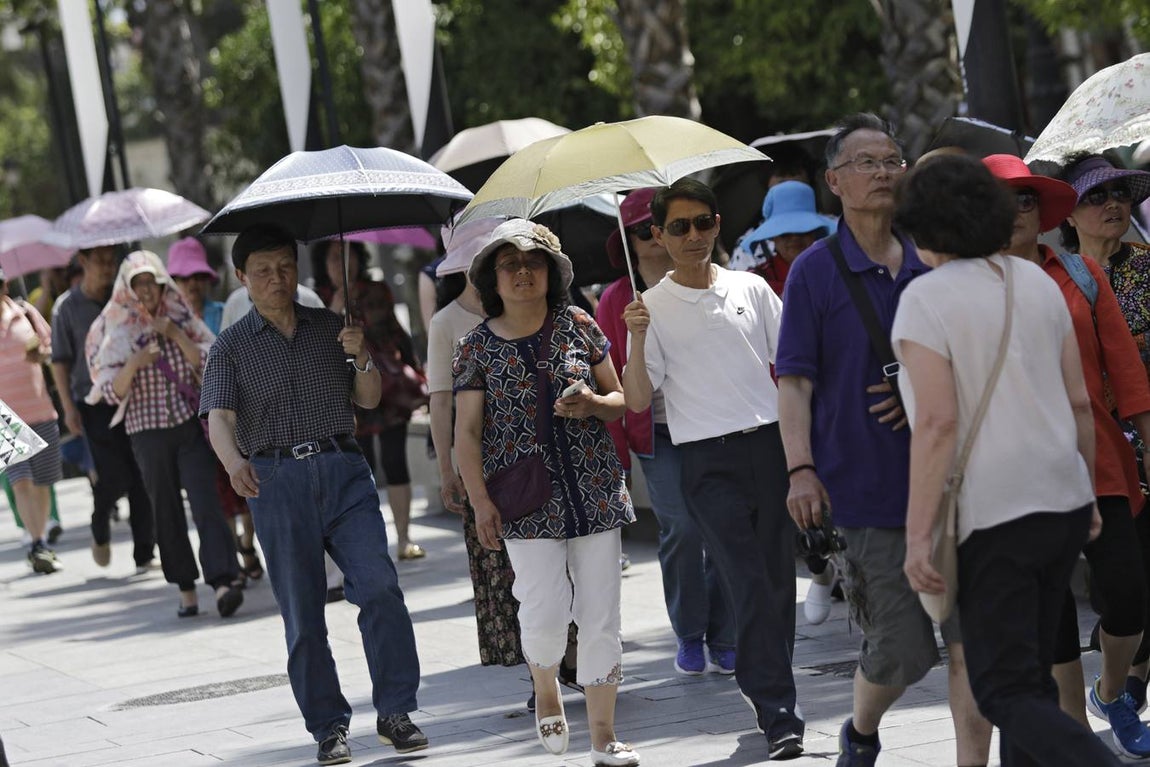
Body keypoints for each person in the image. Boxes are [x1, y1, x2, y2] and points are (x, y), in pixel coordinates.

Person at [894, 153, 1122, 767]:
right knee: (1031, 682)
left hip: (995, 513)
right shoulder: (1037, 282)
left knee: (1002, 689)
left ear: (922, 224)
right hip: (1062, 498)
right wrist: (1086, 493)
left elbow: (936, 425)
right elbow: (1079, 402)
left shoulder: (924, 299)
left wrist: (918, 537)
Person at [775, 114, 989, 767]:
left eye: (892, 160)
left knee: (971, 645)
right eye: (866, 162)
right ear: (834, 181)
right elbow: (794, 382)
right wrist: (801, 469)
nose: (882, 172)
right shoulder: (813, 271)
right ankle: (861, 730)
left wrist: (924, 393)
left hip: (958, 485)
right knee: (902, 647)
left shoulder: (937, 260)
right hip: (865, 490)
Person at [201, 224, 427, 765]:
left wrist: (362, 356)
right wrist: (234, 463)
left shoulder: (332, 327)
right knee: (303, 614)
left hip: (342, 467)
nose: (276, 279)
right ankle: (328, 727)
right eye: (263, 271)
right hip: (275, 480)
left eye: (284, 267)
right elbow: (219, 417)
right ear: (241, 277)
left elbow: (368, 399)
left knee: (379, 588)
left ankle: (396, 711)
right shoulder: (230, 347)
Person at [622, 179, 804, 760]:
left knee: (777, 583)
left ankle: (772, 690)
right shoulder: (649, 308)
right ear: (658, 235)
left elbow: (793, 361)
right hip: (704, 460)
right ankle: (778, 711)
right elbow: (635, 399)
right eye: (679, 227)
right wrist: (634, 338)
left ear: (718, 224)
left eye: (703, 222)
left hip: (770, 447)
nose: (693, 235)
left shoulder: (751, 287)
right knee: (746, 581)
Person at [453, 219, 639, 767]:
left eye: (533, 262)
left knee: (602, 613)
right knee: (544, 609)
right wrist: (480, 503)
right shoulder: (475, 346)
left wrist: (593, 404)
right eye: (509, 264)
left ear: (551, 272)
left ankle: (604, 735)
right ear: (492, 278)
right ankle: (546, 687)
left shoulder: (580, 323)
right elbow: (466, 433)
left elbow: (620, 398)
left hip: (594, 488)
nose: (522, 272)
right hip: (524, 500)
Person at [982, 153, 1150, 755]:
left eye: (1027, 199)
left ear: (1044, 210)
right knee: (1049, 610)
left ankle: (1112, 690)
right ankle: (1075, 734)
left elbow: (1128, 376)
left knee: (1130, 597)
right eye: (1002, 200)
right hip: (1015, 475)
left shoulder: (1080, 273)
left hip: (1099, 460)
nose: (1017, 211)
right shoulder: (965, 286)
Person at [596, 187, 736, 676]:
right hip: (656, 434)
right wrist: (616, 460)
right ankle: (690, 633)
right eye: (644, 231)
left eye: (691, 224)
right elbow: (610, 380)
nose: (658, 239)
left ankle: (725, 635)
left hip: (715, 424)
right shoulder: (616, 299)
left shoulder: (709, 283)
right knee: (682, 528)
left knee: (723, 527)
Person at [85, 250, 244, 618]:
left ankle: (223, 581)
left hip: (188, 425)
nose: (146, 290)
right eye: (137, 283)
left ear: (162, 285)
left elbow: (211, 360)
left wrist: (175, 334)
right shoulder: (116, 329)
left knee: (206, 501)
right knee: (166, 509)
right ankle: (186, 588)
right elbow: (109, 390)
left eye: (151, 282)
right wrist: (135, 363)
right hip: (146, 433)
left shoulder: (180, 316)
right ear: (127, 288)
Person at [1058, 153, 1150, 708]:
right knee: (1126, 579)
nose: (1112, 204)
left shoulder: (1147, 267)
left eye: (1119, 193)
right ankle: (1123, 680)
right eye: (1096, 196)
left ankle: (1129, 684)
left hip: (1147, 433)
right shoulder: (1056, 276)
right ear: (1068, 213)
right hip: (1095, 445)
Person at [427, 216, 526, 671]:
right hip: (479, 462)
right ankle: (528, 663)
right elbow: (440, 400)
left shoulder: (521, 306)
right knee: (497, 560)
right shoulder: (446, 322)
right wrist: (447, 471)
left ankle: (561, 655)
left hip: (531, 451)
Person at [51, 245, 155, 571]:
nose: (108, 268)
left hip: (133, 395)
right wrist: (68, 409)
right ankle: (100, 523)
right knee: (113, 474)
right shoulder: (67, 308)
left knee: (140, 473)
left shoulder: (125, 299)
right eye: (101, 261)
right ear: (83, 262)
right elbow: (60, 362)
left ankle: (144, 553)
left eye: (112, 261)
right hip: (93, 402)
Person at [167, 236, 262, 582]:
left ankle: (247, 543)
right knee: (216, 492)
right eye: (183, 278)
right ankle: (231, 556)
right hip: (191, 422)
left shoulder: (224, 313)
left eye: (197, 277)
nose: (191, 285)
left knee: (246, 482)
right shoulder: (166, 322)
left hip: (230, 413)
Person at [352, 277, 426, 560]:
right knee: (363, 470)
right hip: (358, 402)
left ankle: (403, 538)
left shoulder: (374, 292)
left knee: (395, 464)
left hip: (391, 400)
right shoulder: (335, 299)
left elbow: (404, 348)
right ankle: (369, 541)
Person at [0, 268, 63, 573]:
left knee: (42, 481)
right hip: (4, 418)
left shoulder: (26, 313)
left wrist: (42, 353)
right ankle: (37, 543)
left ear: (5, 284)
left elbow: (51, 350)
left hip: (39, 408)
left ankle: (40, 539)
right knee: (20, 481)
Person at [742, 181, 834, 297]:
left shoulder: (835, 270)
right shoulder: (754, 282)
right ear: (773, 237)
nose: (795, 238)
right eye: (785, 233)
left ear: (815, 233)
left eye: (803, 229)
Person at [167, 237, 225, 334]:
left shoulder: (224, 313)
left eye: (198, 276)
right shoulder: (165, 320)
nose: (193, 283)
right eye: (185, 278)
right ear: (174, 282)